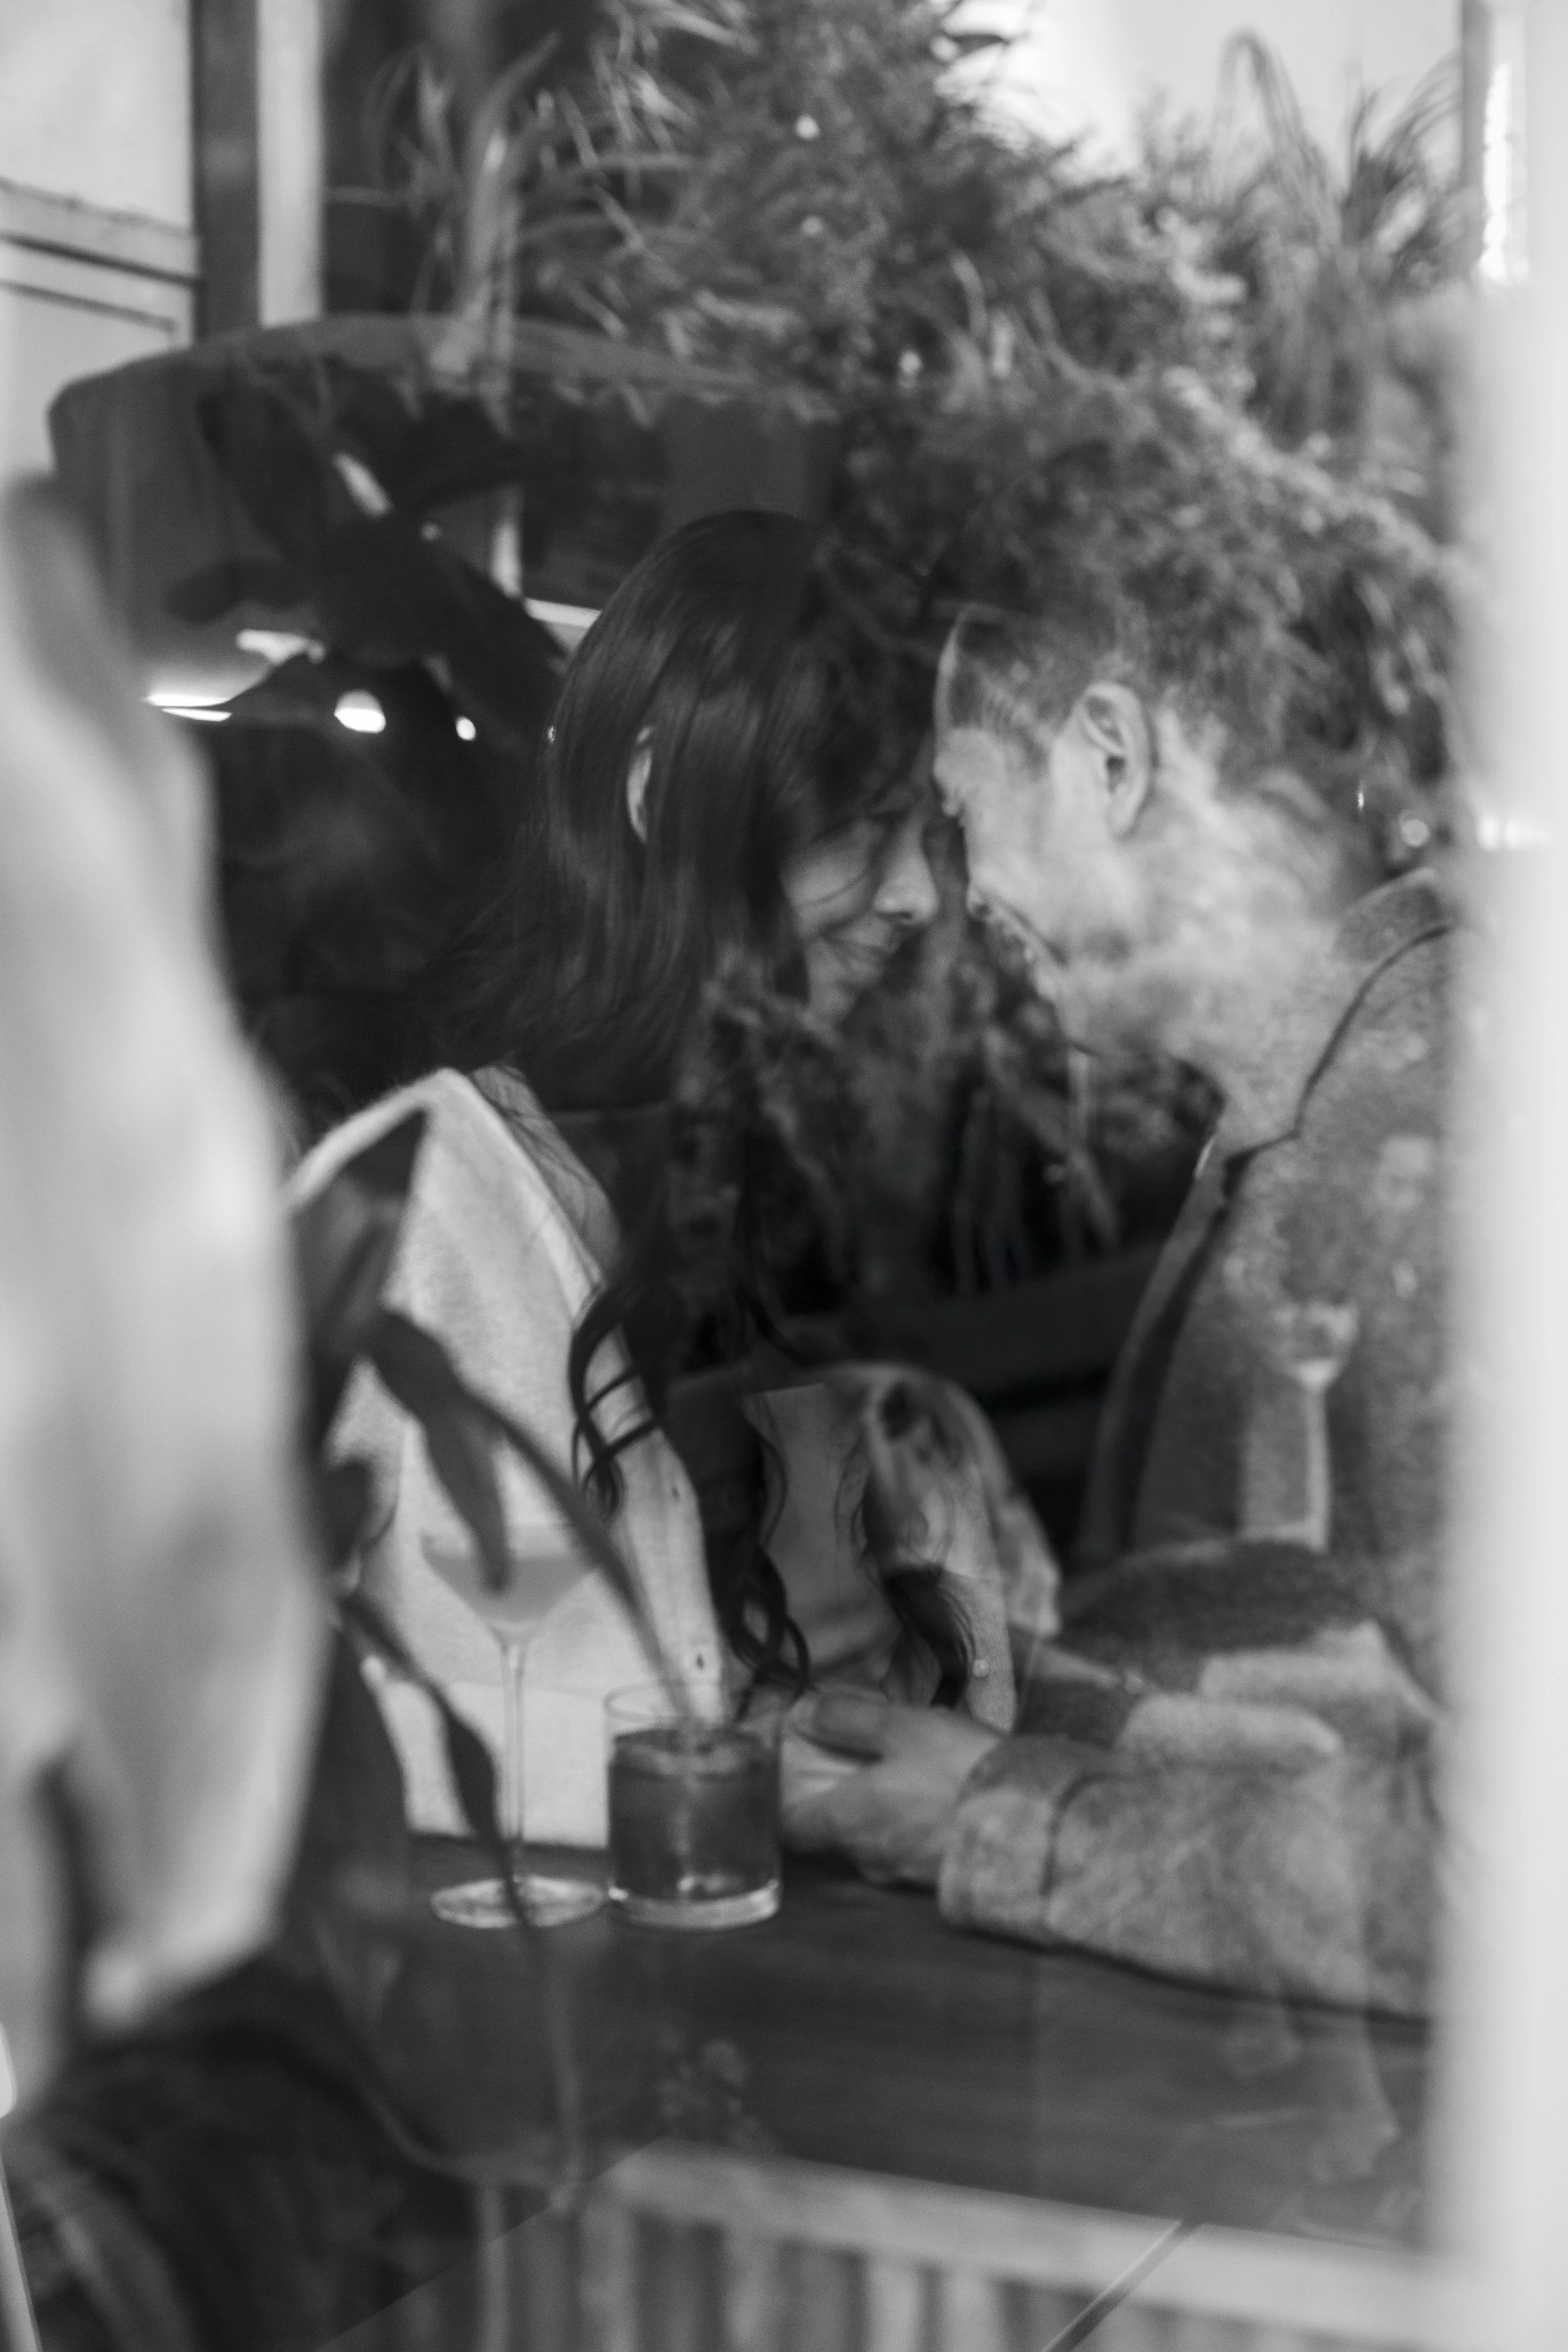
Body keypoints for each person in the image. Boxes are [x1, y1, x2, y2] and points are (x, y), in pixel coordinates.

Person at [292, 512, 1060, 1845]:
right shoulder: (413, 1212)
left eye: (933, 836)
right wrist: (682, 1777)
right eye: (864, 830)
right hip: (579, 2031)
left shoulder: (859, 1182)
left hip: (882, 2018)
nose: (918, 898)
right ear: (660, 798)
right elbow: (199, 1704)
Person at [783, 585, 1454, 2020]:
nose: (956, 892)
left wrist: (1003, 1826)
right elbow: (1335, 1703)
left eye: (963, 816)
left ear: (1107, 759)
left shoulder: (1411, 1135)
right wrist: (1023, 1700)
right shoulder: (1338, 1100)